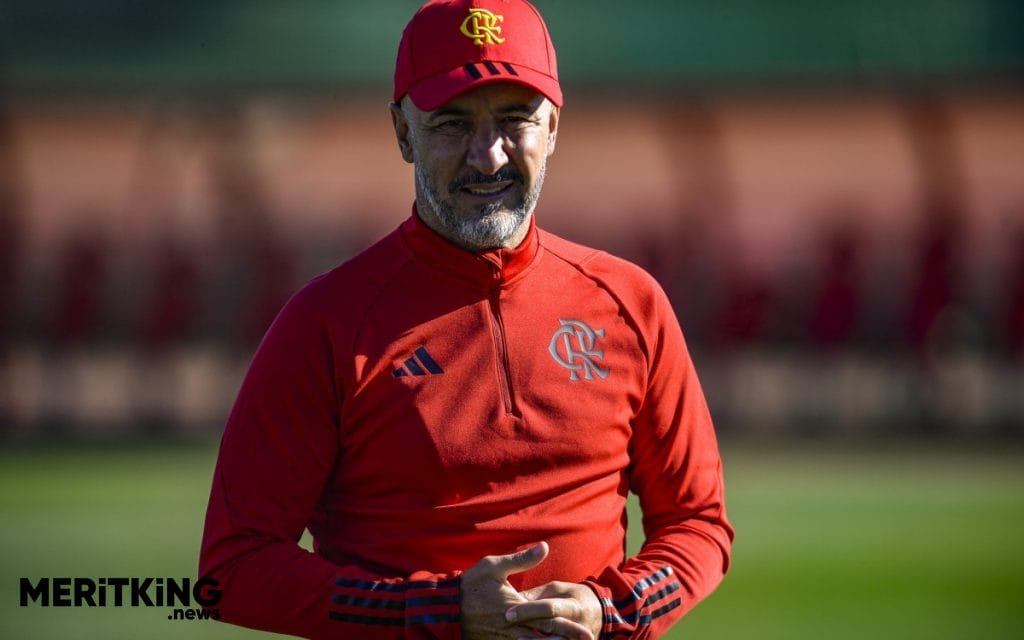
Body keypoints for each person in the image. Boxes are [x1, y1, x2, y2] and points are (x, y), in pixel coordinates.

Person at [199, 1, 733, 638]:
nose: (488, 156)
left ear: (555, 127)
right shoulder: (325, 324)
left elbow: (699, 523)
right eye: (452, 124)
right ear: (403, 132)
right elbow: (231, 569)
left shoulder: (630, 302)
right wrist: (438, 611)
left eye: (516, 119)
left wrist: (613, 609)